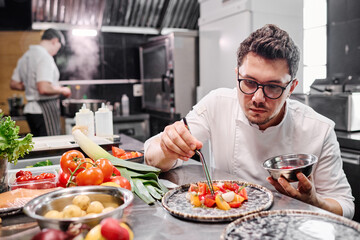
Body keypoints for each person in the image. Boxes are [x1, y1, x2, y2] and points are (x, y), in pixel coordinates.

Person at [144, 24, 355, 219]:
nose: (257, 98)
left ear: (291, 88)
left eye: (273, 86)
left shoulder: (319, 129)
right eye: (249, 82)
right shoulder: (217, 103)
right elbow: (152, 158)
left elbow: (345, 206)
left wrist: (314, 202)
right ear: (237, 76)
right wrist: (168, 147)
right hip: (224, 222)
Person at [10, 28, 71, 136]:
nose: (57, 51)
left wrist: (30, 85)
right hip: (44, 110)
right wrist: (62, 90)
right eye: (58, 47)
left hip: (31, 111)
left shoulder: (25, 57)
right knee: (51, 145)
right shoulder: (45, 57)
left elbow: (14, 83)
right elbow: (43, 88)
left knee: (40, 146)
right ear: (55, 41)